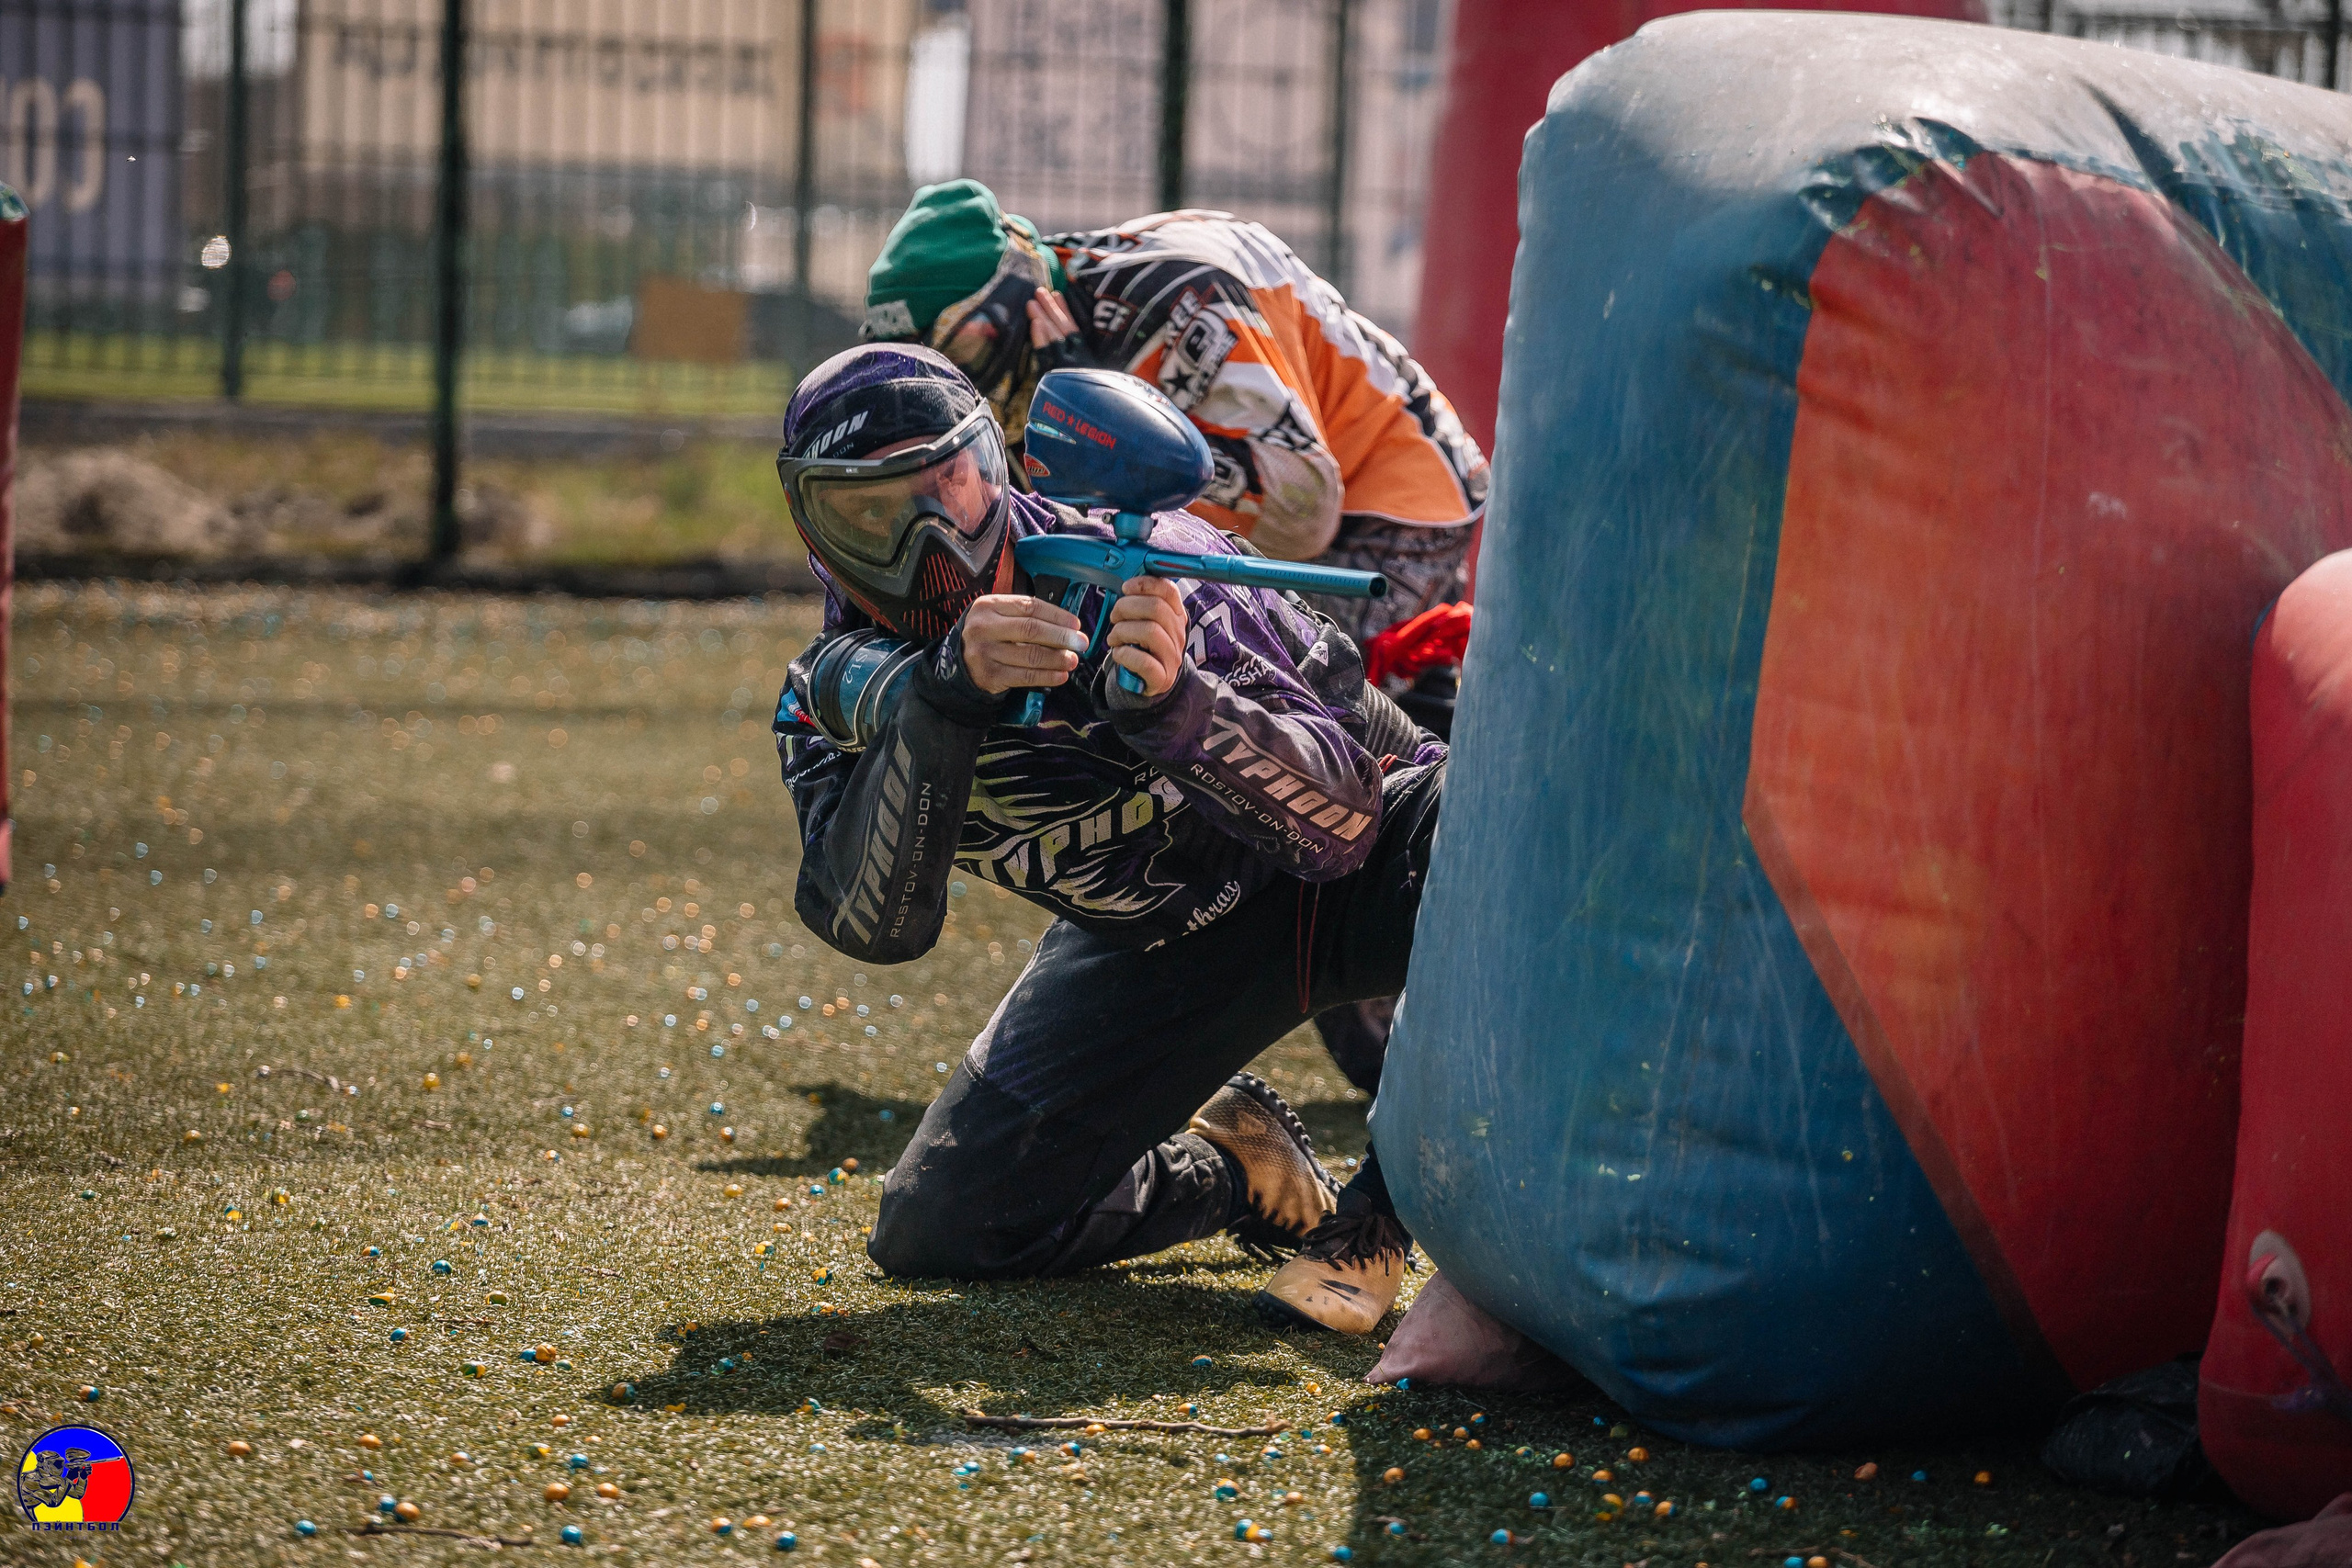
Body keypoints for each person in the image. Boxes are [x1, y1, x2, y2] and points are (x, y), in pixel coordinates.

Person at [771, 343, 1442, 1333]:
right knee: (944, 1226)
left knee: (1494, 849)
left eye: (944, 488)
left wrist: (1181, 712)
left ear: (990, 469)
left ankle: (1377, 1219)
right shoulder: (837, 695)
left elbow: (1345, 829)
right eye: (871, 513)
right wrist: (942, 706)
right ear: (815, 526)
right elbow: (875, 928)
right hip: (1156, 941)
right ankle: (1234, 1168)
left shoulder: (1162, 575)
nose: (925, 541)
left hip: (1362, 868)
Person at [860, 177, 1485, 1088]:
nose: (960, 390)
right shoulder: (1064, 309)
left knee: (1317, 773)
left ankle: (1427, 1013)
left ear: (1019, 300)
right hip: (1284, 517)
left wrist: (1092, 404)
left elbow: (1302, 507)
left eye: (966, 350)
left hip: (1387, 505)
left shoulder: (1167, 302)